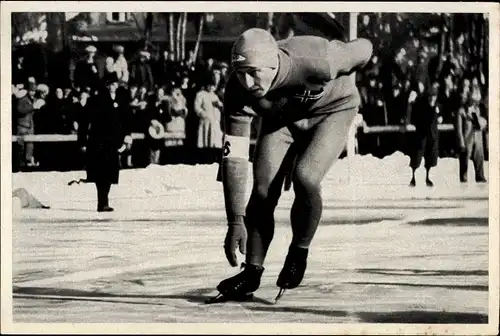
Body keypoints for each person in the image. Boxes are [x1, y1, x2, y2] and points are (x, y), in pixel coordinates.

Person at [207, 28, 373, 303]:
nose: (247, 83)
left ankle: (299, 251)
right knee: (262, 190)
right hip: (283, 120)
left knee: (306, 176)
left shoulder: (316, 60)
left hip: (332, 111)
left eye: (254, 71)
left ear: (274, 63)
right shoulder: (236, 91)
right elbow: (234, 156)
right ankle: (251, 272)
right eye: (240, 72)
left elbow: (363, 48)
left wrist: (356, 55)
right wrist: (235, 220)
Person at [77, 72, 132, 212]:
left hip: (112, 143)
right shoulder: (96, 100)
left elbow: (124, 121)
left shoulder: (120, 100)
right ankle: (102, 202)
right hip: (98, 142)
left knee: (109, 173)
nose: (115, 86)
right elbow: (84, 122)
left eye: (116, 84)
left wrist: (126, 136)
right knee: (101, 173)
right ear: (106, 85)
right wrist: (82, 141)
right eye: (112, 84)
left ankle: (104, 201)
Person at [404, 82, 441, 187]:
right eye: (431, 96)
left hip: (432, 136)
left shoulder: (437, 106)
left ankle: (428, 177)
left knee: (430, 158)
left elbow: (438, 118)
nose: (432, 98)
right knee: (417, 157)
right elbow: (418, 118)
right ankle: (413, 177)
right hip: (422, 135)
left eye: (434, 96)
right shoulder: (422, 105)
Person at [455, 86, 487, 183]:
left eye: (476, 100)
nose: (474, 102)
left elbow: (483, 122)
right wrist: (461, 142)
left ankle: (480, 176)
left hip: (477, 138)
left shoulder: (479, 109)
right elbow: (459, 129)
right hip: (466, 139)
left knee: (479, 157)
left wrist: (480, 121)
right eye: (472, 100)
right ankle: (463, 177)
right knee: (464, 159)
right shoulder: (461, 110)